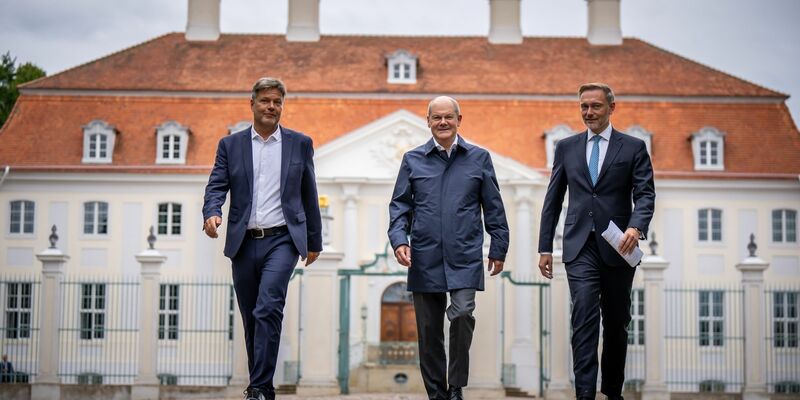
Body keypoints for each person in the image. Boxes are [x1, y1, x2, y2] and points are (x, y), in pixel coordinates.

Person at [203, 77, 322, 400]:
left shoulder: (299, 143)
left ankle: (258, 388)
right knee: (251, 315)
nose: (271, 107)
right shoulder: (231, 145)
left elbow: (309, 193)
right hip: (243, 241)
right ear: (252, 104)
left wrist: (314, 241)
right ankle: (263, 385)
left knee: (268, 306)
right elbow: (217, 184)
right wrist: (212, 212)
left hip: (283, 239)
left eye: (277, 102)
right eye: (266, 101)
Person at [538, 82, 655, 400]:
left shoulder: (632, 147)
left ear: (611, 108)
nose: (589, 112)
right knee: (584, 315)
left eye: (595, 106)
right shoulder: (566, 147)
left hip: (620, 246)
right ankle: (585, 394)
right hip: (578, 246)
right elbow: (553, 198)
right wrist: (545, 246)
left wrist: (636, 227)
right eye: (584, 107)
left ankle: (612, 392)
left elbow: (644, 194)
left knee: (617, 321)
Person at [388, 96, 509, 400]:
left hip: (465, 255)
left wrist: (499, 246)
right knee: (429, 333)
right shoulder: (412, 159)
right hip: (425, 256)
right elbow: (399, 206)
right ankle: (437, 396)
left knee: (462, 314)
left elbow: (493, 206)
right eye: (436, 117)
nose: (443, 122)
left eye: (448, 117)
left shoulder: (479, 158)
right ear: (427, 121)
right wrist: (399, 239)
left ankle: (455, 386)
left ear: (459, 120)